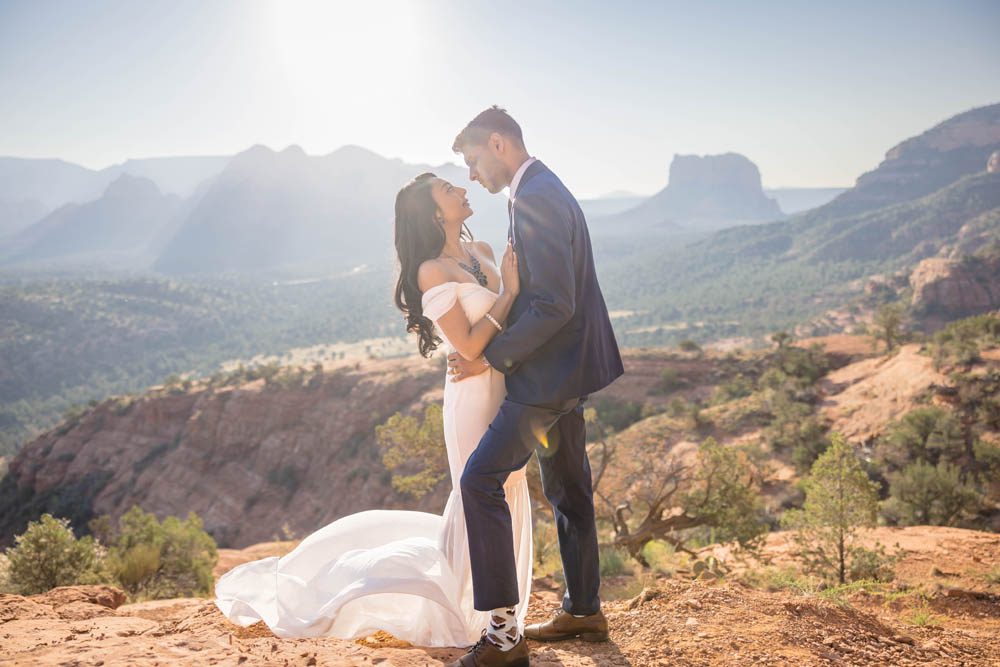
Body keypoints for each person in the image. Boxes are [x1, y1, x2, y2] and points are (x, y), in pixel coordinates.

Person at [213, 172, 532, 649]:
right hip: (471, 398)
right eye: (449, 190)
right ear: (432, 213)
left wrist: (496, 344)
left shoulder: (484, 250)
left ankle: (498, 614)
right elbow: (465, 348)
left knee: (511, 489)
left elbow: (504, 332)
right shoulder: (430, 270)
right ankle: (490, 618)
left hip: (506, 388)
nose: (463, 190)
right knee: (482, 496)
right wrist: (506, 295)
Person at [445, 106, 624, 667]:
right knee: (568, 488)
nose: (473, 175)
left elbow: (554, 304)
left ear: (498, 144)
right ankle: (584, 609)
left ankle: (503, 637)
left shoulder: (537, 196)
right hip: (571, 370)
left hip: (546, 377)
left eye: (473, 160)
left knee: (479, 481)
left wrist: (491, 358)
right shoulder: (542, 187)